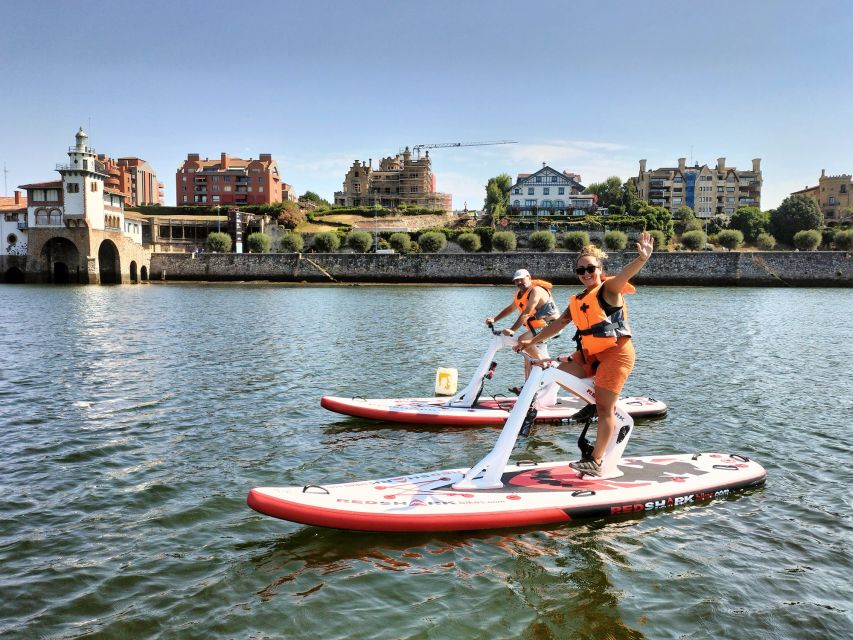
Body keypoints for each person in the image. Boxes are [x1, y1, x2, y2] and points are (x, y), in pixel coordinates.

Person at [516, 232, 654, 477]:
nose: (586, 273)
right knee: (556, 374)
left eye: (591, 268)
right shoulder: (578, 299)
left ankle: (596, 461)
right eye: (581, 270)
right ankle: (592, 405)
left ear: (600, 269)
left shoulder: (608, 289)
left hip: (616, 355)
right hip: (590, 355)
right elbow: (557, 324)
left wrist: (641, 259)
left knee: (605, 410)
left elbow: (625, 275)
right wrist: (531, 342)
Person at [485, 269, 561, 383]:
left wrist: (512, 329)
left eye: (521, 279)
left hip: (551, 326)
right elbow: (510, 309)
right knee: (527, 359)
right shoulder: (519, 295)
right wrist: (494, 319)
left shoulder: (536, 290)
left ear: (529, 277)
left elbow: (527, 312)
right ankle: (527, 387)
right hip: (536, 328)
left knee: (522, 340)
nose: (519, 282)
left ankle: (546, 365)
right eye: (516, 281)